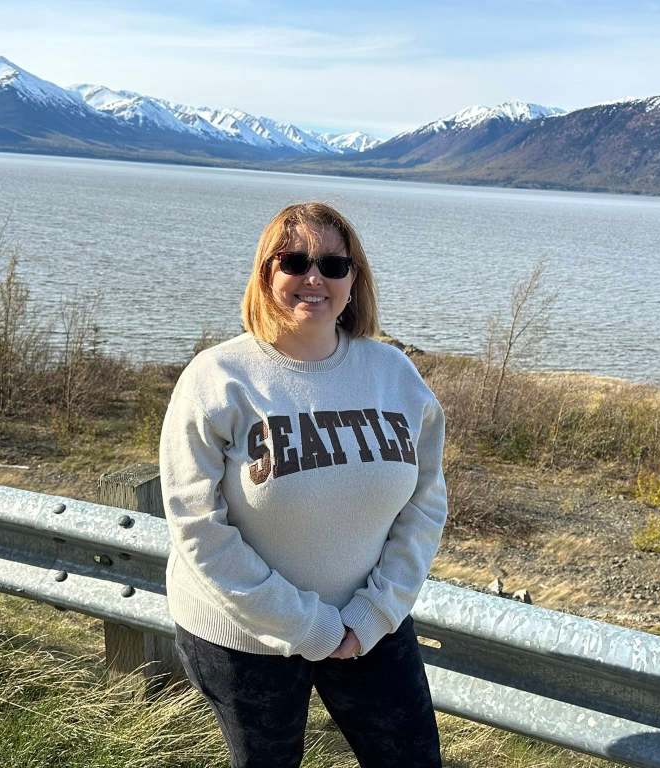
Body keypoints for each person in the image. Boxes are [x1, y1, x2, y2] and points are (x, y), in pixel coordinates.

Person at [159, 201, 448, 768]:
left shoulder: (395, 375)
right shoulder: (217, 378)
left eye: (333, 265)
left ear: (353, 280)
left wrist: (376, 612)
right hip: (245, 635)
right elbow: (196, 525)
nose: (314, 278)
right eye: (294, 262)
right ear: (266, 273)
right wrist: (306, 625)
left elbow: (425, 500)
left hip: (369, 623)